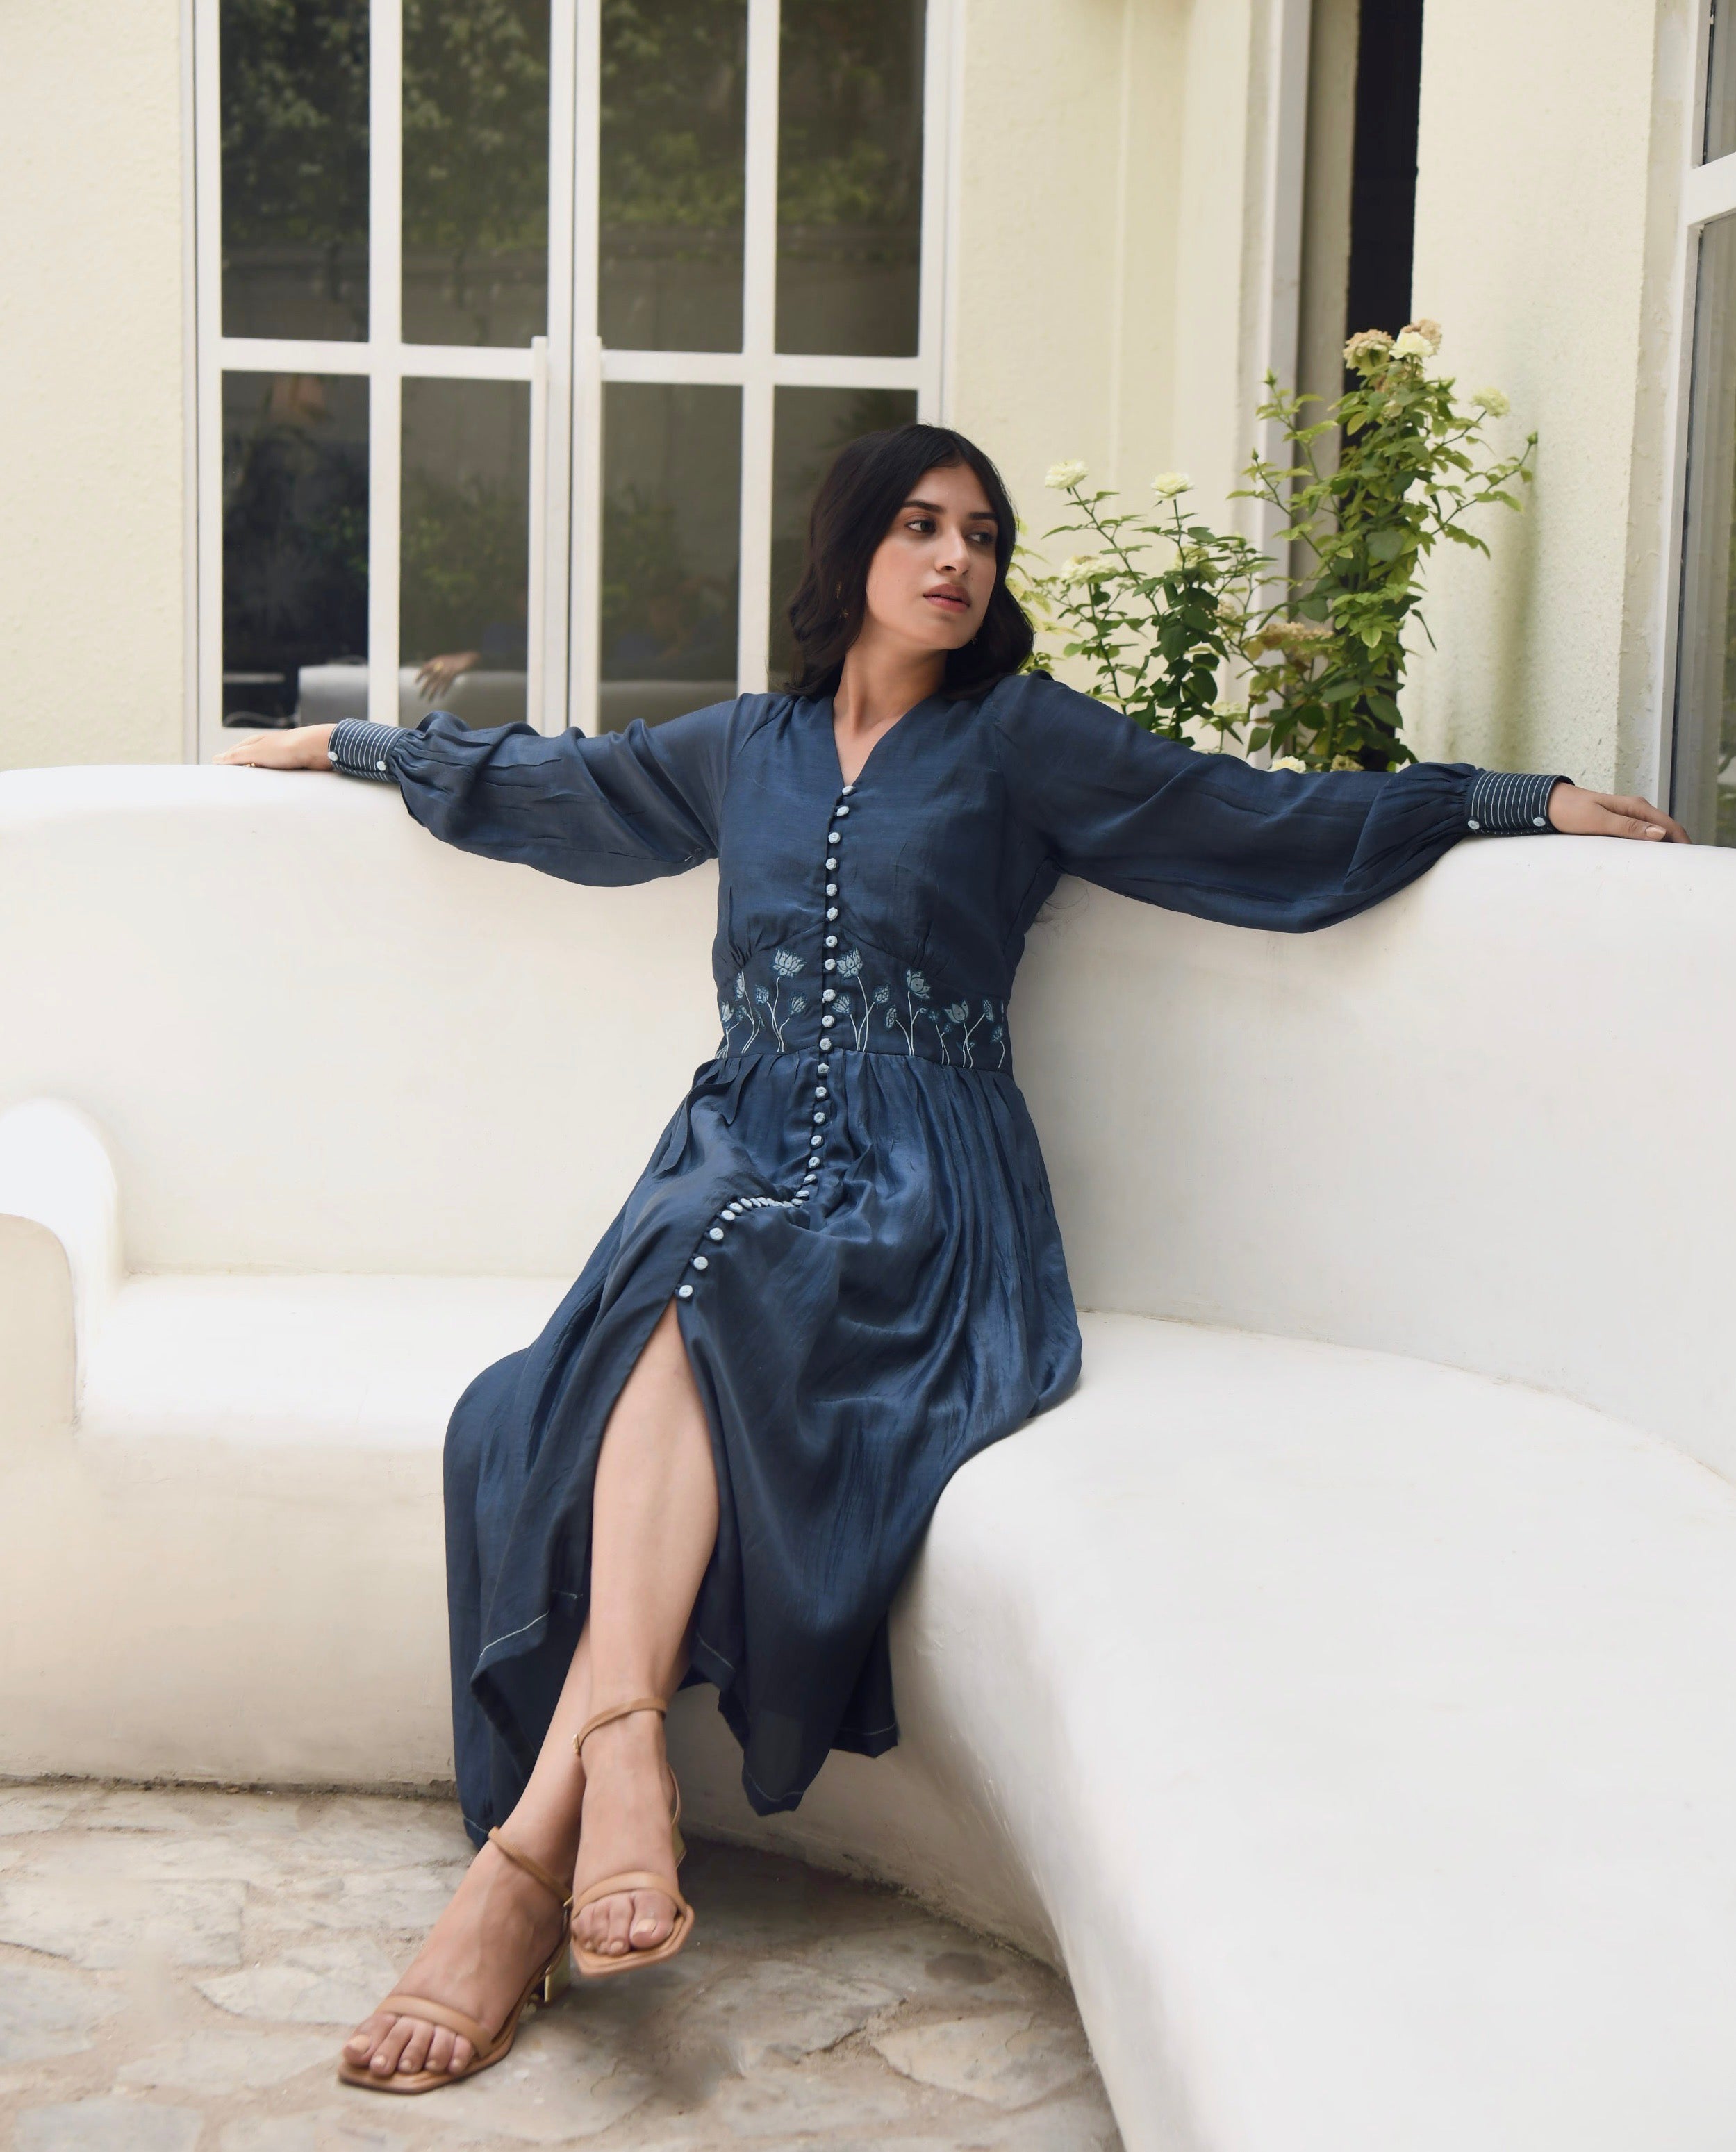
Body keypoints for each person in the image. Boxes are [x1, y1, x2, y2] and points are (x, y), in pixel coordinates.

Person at [217, 423, 1687, 2095]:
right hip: (733, 1157)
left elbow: (1248, 817)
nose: (953, 560)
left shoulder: (1022, 739)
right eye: (918, 526)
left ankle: (535, 1847)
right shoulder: (746, 748)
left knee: (699, 1284)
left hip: (924, 1193)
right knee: (658, 1298)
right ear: (848, 547)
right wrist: (359, 745)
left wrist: (1507, 799)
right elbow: (560, 786)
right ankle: (601, 1776)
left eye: (980, 535)